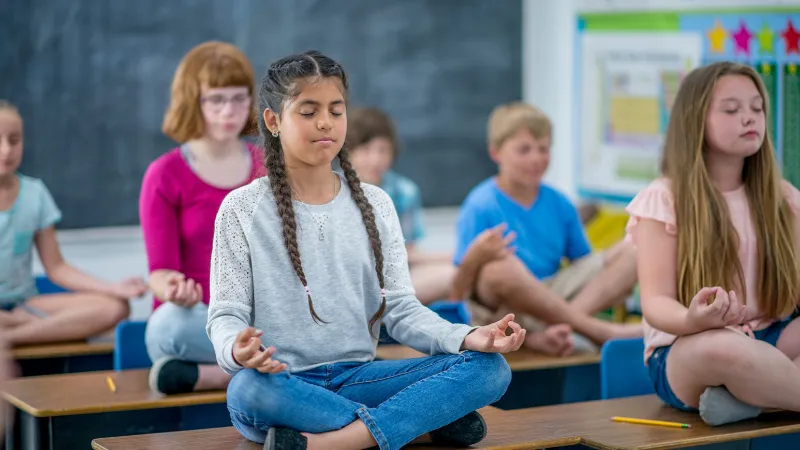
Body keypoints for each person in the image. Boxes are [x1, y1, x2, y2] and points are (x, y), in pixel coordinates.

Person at [207, 50, 523, 450]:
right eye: (308, 111)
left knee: (490, 370)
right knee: (247, 390)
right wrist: (236, 348)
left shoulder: (376, 205)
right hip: (282, 384)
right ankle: (415, 424)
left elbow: (401, 311)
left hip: (362, 378)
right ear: (273, 121)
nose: (325, 122)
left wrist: (467, 336)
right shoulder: (241, 210)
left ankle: (337, 441)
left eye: (336, 111)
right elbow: (225, 315)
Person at [627, 61, 800, 426]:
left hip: (774, 336)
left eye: (757, 108)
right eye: (732, 109)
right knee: (726, 347)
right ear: (696, 121)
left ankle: (749, 401)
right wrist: (692, 319)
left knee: (751, 353)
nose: (750, 118)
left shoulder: (784, 199)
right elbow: (655, 302)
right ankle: (761, 393)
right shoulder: (663, 199)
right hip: (688, 349)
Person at [451, 101, 641, 356]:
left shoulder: (559, 203)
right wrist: (474, 258)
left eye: (543, 148)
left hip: (555, 300)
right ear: (496, 153)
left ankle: (560, 328)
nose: (536, 158)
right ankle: (596, 331)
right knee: (499, 269)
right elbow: (457, 293)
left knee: (634, 249)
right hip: (505, 312)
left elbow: (585, 266)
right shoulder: (480, 204)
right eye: (524, 149)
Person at [139, 41, 264, 395]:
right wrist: (174, 291)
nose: (230, 111)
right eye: (216, 100)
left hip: (259, 315)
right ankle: (267, 368)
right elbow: (160, 274)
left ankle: (215, 377)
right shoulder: (164, 175)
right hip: (198, 319)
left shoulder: (267, 168)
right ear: (193, 101)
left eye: (239, 98)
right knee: (165, 327)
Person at [0, 100, 146, 346]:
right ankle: (30, 328)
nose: (6, 150)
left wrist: (113, 287)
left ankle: (9, 335)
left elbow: (56, 267)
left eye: (14, 140)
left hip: (23, 307)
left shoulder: (35, 194)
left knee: (115, 307)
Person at [346, 107, 455, 304]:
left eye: (383, 150)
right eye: (366, 150)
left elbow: (408, 253)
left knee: (454, 273)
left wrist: (453, 257)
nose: (375, 159)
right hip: (353, 282)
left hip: (397, 278)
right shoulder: (334, 190)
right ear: (348, 152)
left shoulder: (404, 192)